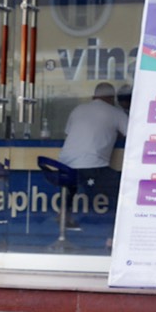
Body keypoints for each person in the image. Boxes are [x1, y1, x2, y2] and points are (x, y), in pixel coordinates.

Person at [57, 81, 130, 218]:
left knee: (72, 187)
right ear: (112, 98)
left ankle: (64, 214)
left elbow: (69, 133)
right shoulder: (116, 113)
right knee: (124, 189)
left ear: (94, 97)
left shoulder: (78, 109)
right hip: (92, 165)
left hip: (65, 165)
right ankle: (116, 226)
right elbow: (132, 136)